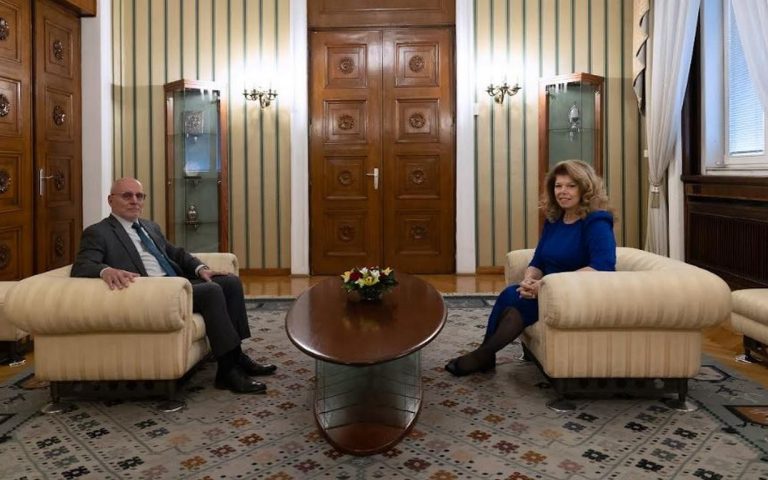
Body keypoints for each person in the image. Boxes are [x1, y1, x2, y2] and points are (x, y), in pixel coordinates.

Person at [71, 177, 276, 394]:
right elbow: (82, 265)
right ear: (110, 200)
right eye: (127, 195)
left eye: (139, 196)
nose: (134, 201)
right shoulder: (99, 232)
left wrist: (201, 269)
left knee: (230, 282)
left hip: (176, 285)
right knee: (211, 291)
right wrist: (106, 270)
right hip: (152, 293)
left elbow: (175, 253)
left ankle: (237, 356)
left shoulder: (149, 226)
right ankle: (227, 371)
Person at [445, 160, 617, 376]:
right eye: (558, 186)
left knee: (515, 299)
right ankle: (485, 355)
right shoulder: (555, 220)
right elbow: (538, 260)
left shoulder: (597, 221)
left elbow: (603, 266)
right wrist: (529, 280)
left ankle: (483, 356)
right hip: (548, 290)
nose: (562, 191)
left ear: (585, 189)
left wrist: (544, 285)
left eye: (571, 186)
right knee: (512, 294)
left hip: (577, 293)